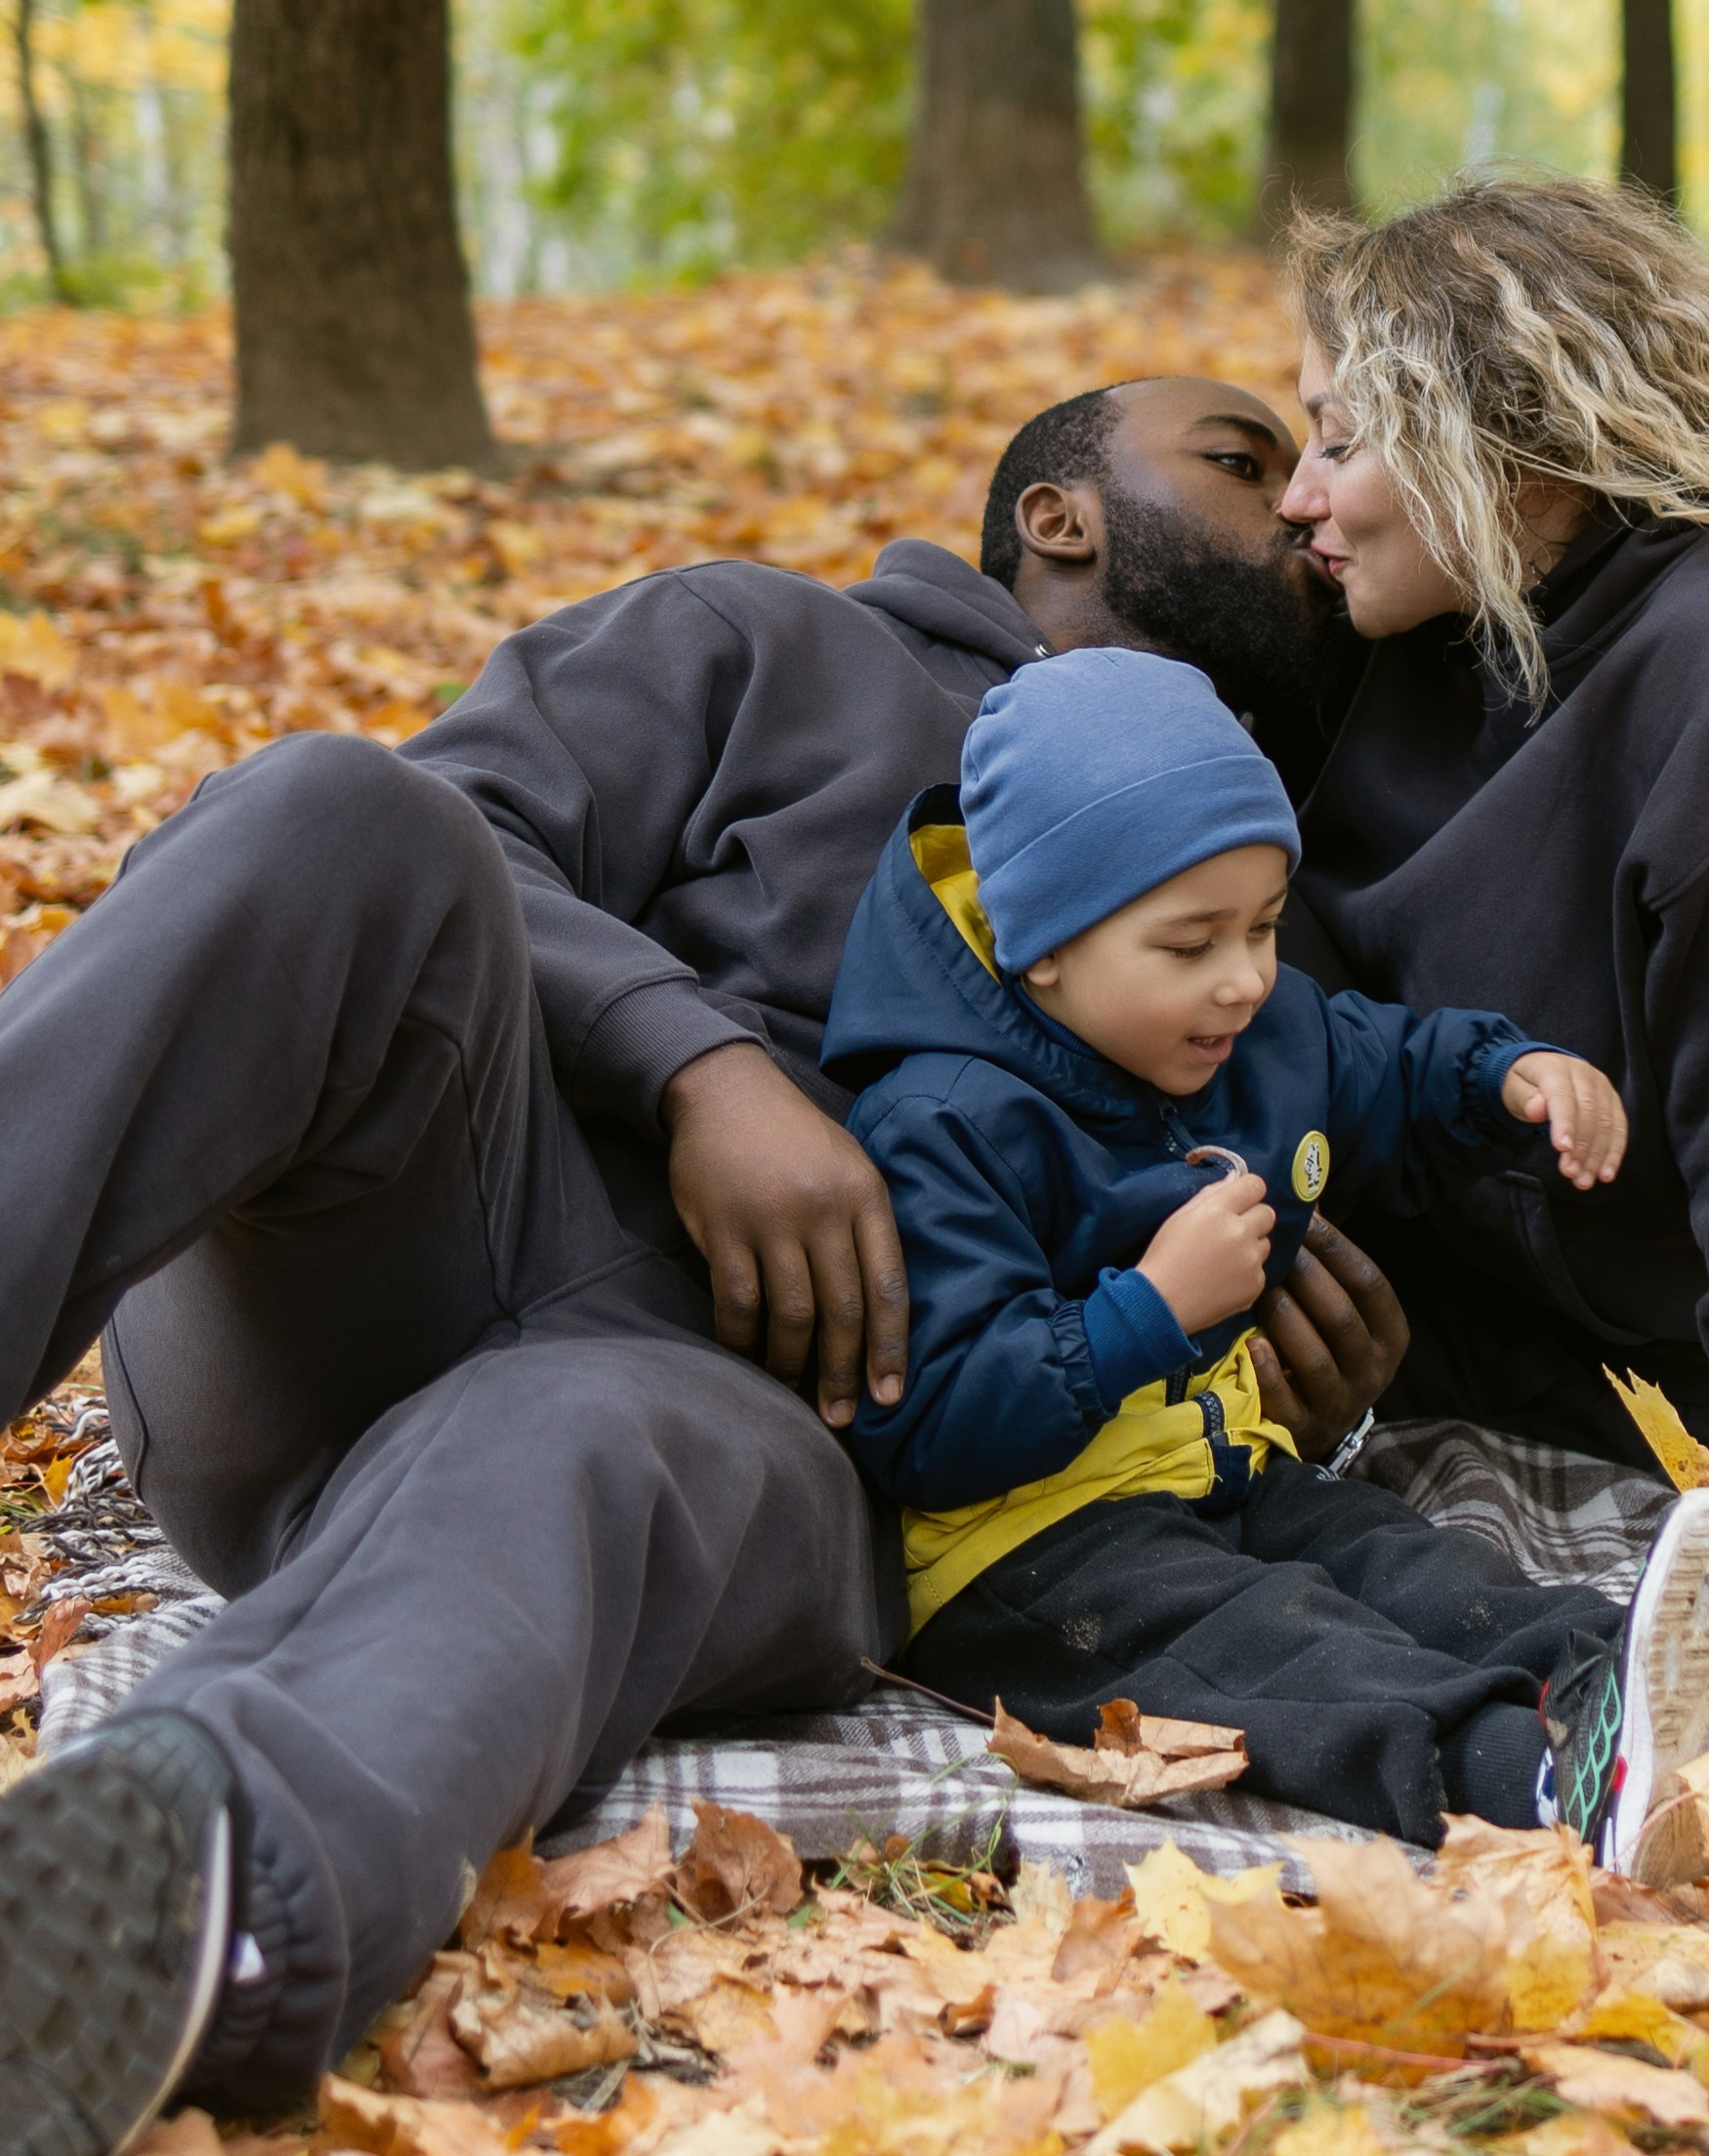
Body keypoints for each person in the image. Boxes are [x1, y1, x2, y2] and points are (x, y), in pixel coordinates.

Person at [0, 375, 1402, 2156]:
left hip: (776, 1431)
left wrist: (1311, 1390)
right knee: (338, 811)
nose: (1300, 509)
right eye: (1242, 454)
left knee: (577, 1446)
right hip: (415, 1221)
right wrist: (694, 1060)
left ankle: (188, 1902)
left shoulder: (1259, 901)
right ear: (1058, 508)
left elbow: (1273, 1227)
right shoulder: (756, 641)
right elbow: (429, 846)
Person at [825, 647, 1709, 1867]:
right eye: (1191, 944)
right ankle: (1559, 1786)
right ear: (1043, 945)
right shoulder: (942, 1119)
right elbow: (930, 1425)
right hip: (1032, 1565)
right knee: (1297, 1652)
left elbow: (1383, 1059)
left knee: (1421, 1572)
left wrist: (1504, 1077)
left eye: (1263, 927)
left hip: (1227, 1477)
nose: (1245, 979)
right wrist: (1151, 1311)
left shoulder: (1251, 1032)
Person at [1277, 174, 1709, 1464]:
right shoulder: (1437, 613)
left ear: (1513, 450)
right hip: (1394, 1310)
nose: (1297, 497)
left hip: (1633, 1378)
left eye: (1340, 439)